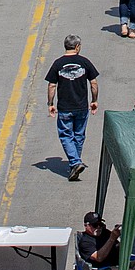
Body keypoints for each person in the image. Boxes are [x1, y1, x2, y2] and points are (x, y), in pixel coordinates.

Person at [45, 35, 99, 181]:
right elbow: (93, 83)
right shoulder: (84, 62)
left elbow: (51, 85)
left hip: (64, 107)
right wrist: (94, 100)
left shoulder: (58, 63)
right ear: (77, 47)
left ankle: (75, 162)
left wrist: (50, 103)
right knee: (79, 135)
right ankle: (75, 164)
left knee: (66, 135)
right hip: (81, 106)